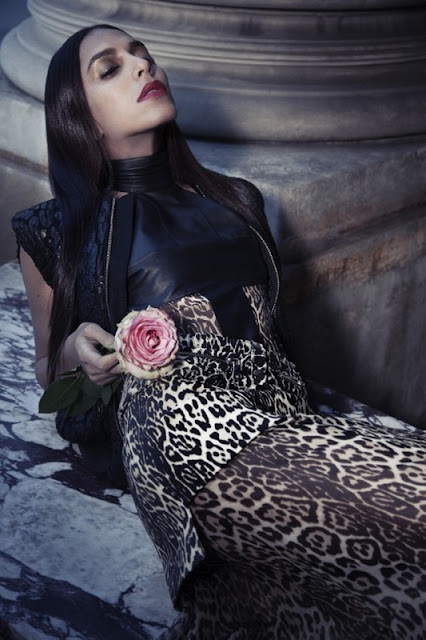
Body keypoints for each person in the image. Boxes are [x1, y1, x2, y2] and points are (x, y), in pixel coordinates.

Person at [12, 24, 426, 640]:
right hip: (172, 423)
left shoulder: (236, 199)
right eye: (111, 68)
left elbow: (270, 333)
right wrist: (75, 349)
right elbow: (50, 371)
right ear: (83, 119)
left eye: (143, 56)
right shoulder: (53, 230)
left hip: (274, 417)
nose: (143, 68)